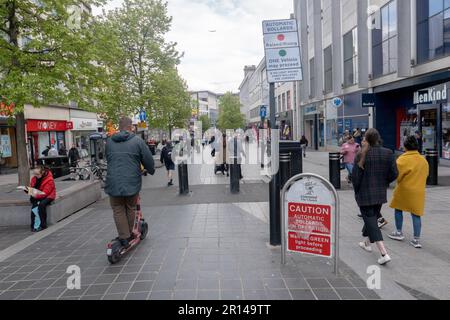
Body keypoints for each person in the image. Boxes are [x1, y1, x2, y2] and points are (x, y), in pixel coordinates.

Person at [105, 117, 155, 248]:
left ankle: (123, 236)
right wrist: (151, 170)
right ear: (131, 127)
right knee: (130, 207)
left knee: (117, 209)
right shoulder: (137, 141)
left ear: (119, 127)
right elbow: (148, 159)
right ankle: (130, 234)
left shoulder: (109, 142)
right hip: (131, 182)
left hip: (113, 182)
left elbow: (108, 158)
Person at [352, 128, 398, 265]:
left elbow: (356, 178)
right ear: (378, 138)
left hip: (365, 194)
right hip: (380, 193)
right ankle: (366, 243)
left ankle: (384, 253)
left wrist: (357, 191)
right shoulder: (388, 153)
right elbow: (395, 173)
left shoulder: (361, 154)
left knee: (371, 221)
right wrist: (384, 182)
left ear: (366, 139)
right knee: (371, 217)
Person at [389, 136, 429, 249]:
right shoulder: (423, 160)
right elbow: (426, 175)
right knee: (416, 214)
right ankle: (416, 239)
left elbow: (397, 175)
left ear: (405, 146)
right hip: (418, 190)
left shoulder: (402, 159)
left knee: (398, 208)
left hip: (404, 189)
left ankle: (398, 232)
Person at [28, 166, 56, 232]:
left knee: (41, 205)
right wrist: (28, 190)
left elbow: (45, 193)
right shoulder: (34, 179)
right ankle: (34, 225)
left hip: (49, 196)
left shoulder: (49, 179)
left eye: (37, 174)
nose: (35, 176)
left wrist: (35, 195)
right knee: (34, 206)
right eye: (34, 174)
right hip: (37, 195)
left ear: (42, 172)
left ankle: (43, 225)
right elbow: (32, 188)